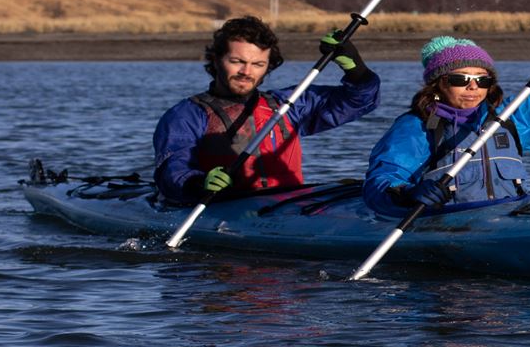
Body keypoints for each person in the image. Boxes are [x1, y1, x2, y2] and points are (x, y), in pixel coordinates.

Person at [362, 32, 530, 213]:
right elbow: (382, 179)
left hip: (510, 218)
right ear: (438, 84)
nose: (473, 87)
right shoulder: (418, 127)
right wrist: (406, 194)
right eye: (460, 79)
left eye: (482, 80)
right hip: (450, 225)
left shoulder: (508, 118)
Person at [153, 15, 380, 205]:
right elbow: (172, 170)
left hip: (288, 207)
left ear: (268, 66)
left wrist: (355, 67)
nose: (246, 71)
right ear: (216, 59)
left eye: (258, 64)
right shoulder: (186, 115)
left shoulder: (288, 106)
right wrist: (198, 183)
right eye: (237, 61)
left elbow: (360, 100)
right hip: (221, 208)